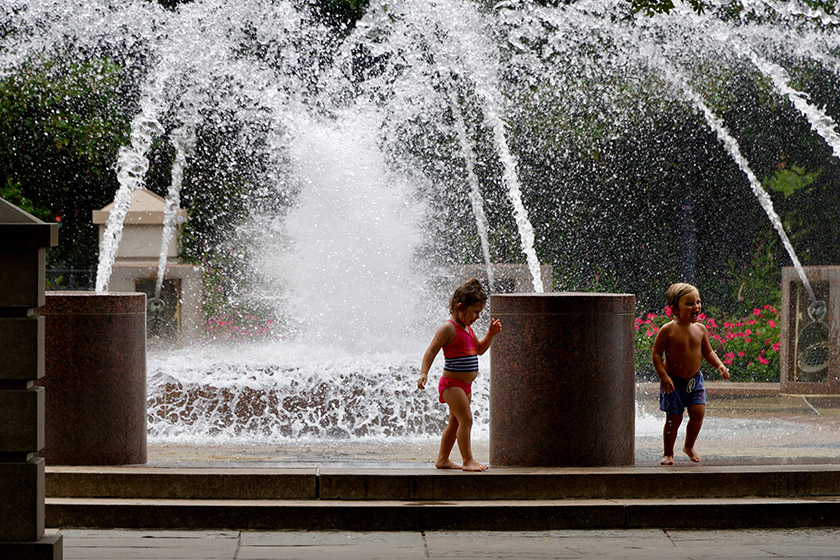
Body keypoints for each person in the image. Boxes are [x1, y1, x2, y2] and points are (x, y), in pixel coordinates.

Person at [417, 278, 502, 471]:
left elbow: (479, 349)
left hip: (465, 387)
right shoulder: (449, 328)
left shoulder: (468, 329)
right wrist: (424, 373)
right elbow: (431, 351)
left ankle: (443, 459)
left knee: (455, 423)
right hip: (452, 384)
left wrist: (490, 334)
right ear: (460, 307)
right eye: (475, 312)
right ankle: (467, 460)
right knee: (466, 420)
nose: (478, 317)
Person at [652, 282, 730, 465]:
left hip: (695, 380)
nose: (696, 306)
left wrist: (719, 365)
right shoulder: (668, 330)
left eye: (698, 302)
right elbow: (656, 354)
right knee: (674, 418)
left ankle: (688, 446)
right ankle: (668, 452)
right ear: (674, 309)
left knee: (698, 413)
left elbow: (708, 352)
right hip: (673, 381)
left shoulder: (700, 329)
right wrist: (663, 376)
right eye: (689, 303)